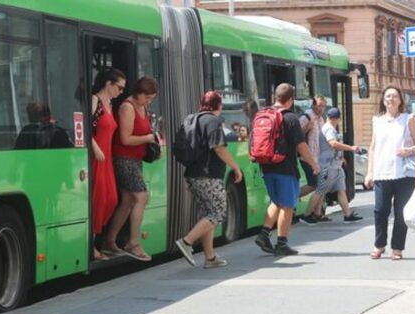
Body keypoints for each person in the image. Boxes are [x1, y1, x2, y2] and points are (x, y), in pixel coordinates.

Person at [174, 91, 243, 268]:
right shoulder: (212, 121)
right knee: (218, 213)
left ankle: (210, 258)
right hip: (208, 175)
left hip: (193, 174)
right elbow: (219, 148)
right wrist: (235, 167)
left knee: (208, 213)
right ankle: (187, 242)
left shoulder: (193, 119)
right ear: (218, 105)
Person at [254, 83, 320, 256]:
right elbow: (301, 146)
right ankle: (282, 243)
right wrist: (313, 164)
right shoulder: (290, 118)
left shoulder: (263, 114)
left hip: (266, 166)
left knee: (276, 201)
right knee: (288, 205)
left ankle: (264, 234)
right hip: (285, 167)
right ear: (290, 100)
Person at [103, 76, 159, 262]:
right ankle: (133, 243)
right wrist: (148, 139)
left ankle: (109, 241)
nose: (149, 101)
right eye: (148, 98)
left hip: (135, 159)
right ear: (139, 93)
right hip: (123, 158)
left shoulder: (142, 107)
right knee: (141, 196)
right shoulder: (127, 107)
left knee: (127, 199)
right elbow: (125, 139)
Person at [364, 86, 415, 260]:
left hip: (403, 173)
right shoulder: (377, 121)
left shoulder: (408, 119)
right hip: (382, 172)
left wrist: (409, 150)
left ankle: (397, 248)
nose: (391, 99)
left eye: (394, 96)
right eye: (388, 96)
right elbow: (373, 147)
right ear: (383, 100)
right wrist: (370, 172)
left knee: (401, 212)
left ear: (401, 100)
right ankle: (379, 245)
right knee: (380, 210)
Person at [300, 107, 363, 225]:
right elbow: (333, 143)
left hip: (336, 166)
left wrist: (341, 157)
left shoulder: (329, 127)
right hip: (327, 166)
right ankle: (307, 215)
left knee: (341, 190)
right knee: (320, 190)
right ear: (337, 119)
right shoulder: (329, 129)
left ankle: (348, 214)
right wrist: (351, 148)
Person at [90, 68, 126, 261]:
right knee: (98, 200)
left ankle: (96, 240)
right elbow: (84, 127)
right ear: (108, 84)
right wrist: (95, 148)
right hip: (97, 157)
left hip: (107, 159)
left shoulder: (110, 104)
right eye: (119, 87)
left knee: (110, 200)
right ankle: (91, 245)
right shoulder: (95, 100)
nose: (120, 92)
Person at [297, 96, 327, 201]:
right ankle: (292, 198)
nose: (321, 108)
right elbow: (295, 136)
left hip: (318, 158)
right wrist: (306, 128)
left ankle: (317, 213)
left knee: (321, 184)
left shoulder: (321, 119)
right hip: (307, 157)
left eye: (323, 106)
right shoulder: (306, 117)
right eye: (319, 106)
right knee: (313, 184)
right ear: (313, 105)